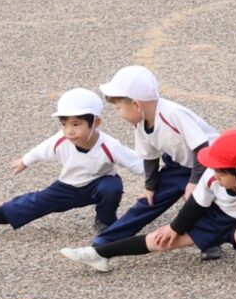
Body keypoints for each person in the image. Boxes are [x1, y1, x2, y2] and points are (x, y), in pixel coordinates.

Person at [62, 128, 236, 276]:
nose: (215, 175)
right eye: (214, 169)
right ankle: (99, 254)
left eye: (222, 173)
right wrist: (174, 228)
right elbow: (196, 205)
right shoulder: (212, 175)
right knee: (160, 241)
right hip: (214, 218)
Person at [0, 88, 144, 245]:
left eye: (76, 124)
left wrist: (154, 184)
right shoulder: (61, 140)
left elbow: (137, 163)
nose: (69, 131)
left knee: (112, 187)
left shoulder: (109, 146)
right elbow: (40, 151)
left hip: (98, 184)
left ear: (96, 122)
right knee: (30, 204)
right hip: (67, 187)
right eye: (64, 124)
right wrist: (24, 161)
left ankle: (105, 221)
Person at [90, 65, 215, 252]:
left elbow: (202, 147)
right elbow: (150, 157)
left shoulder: (173, 113)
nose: (118, 112)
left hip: (210, 165)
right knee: (149, 200)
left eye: (118, 107)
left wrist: (195, 181)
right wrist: (150, 187)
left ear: (136, 104)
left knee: (201, 200)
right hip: (180, 165)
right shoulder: (140, 123)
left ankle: (209, 243)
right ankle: (105, 240)